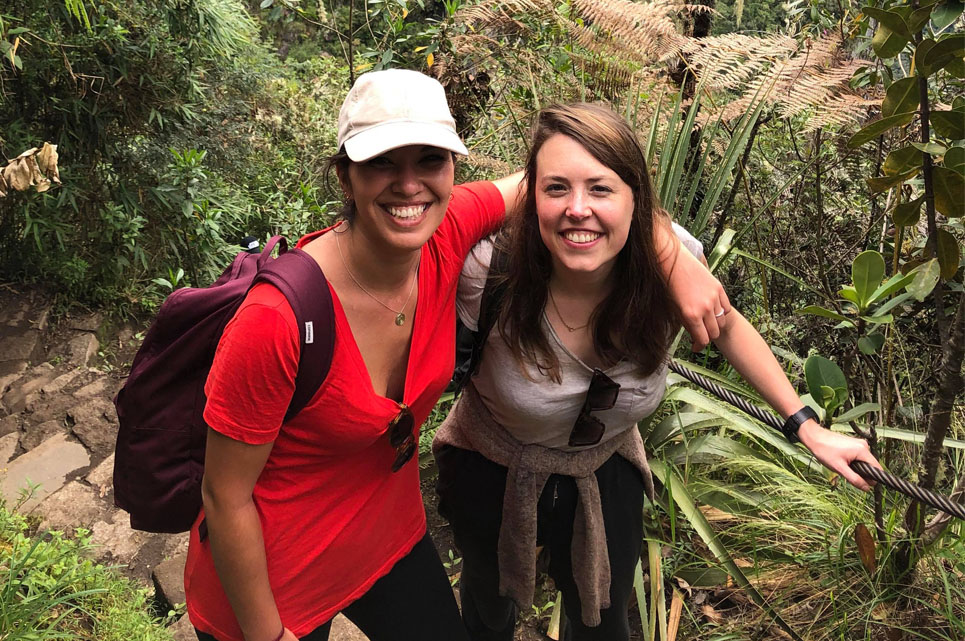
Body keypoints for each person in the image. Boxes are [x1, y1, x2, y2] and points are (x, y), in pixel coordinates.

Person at [183, 72, 727, 641]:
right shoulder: (278, 320)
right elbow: (224, 495)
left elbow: (574, 179)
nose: (409, 185)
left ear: (452, 171)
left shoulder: (445, 238)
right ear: (345, 174)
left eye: (429, 160)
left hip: (385, 542)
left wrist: (670, 253)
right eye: (382, 163)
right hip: (271, 573)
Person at [433, 102, 883, 641]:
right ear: (533, 197)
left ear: (635, 201)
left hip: (602, 468)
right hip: (491, 461)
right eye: (557, 189)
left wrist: (807, 426)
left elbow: (727, 325)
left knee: (603, 619)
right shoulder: (490, 271)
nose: (578, 208)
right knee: (486, 605)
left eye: (601, 189)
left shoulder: (672, 269)